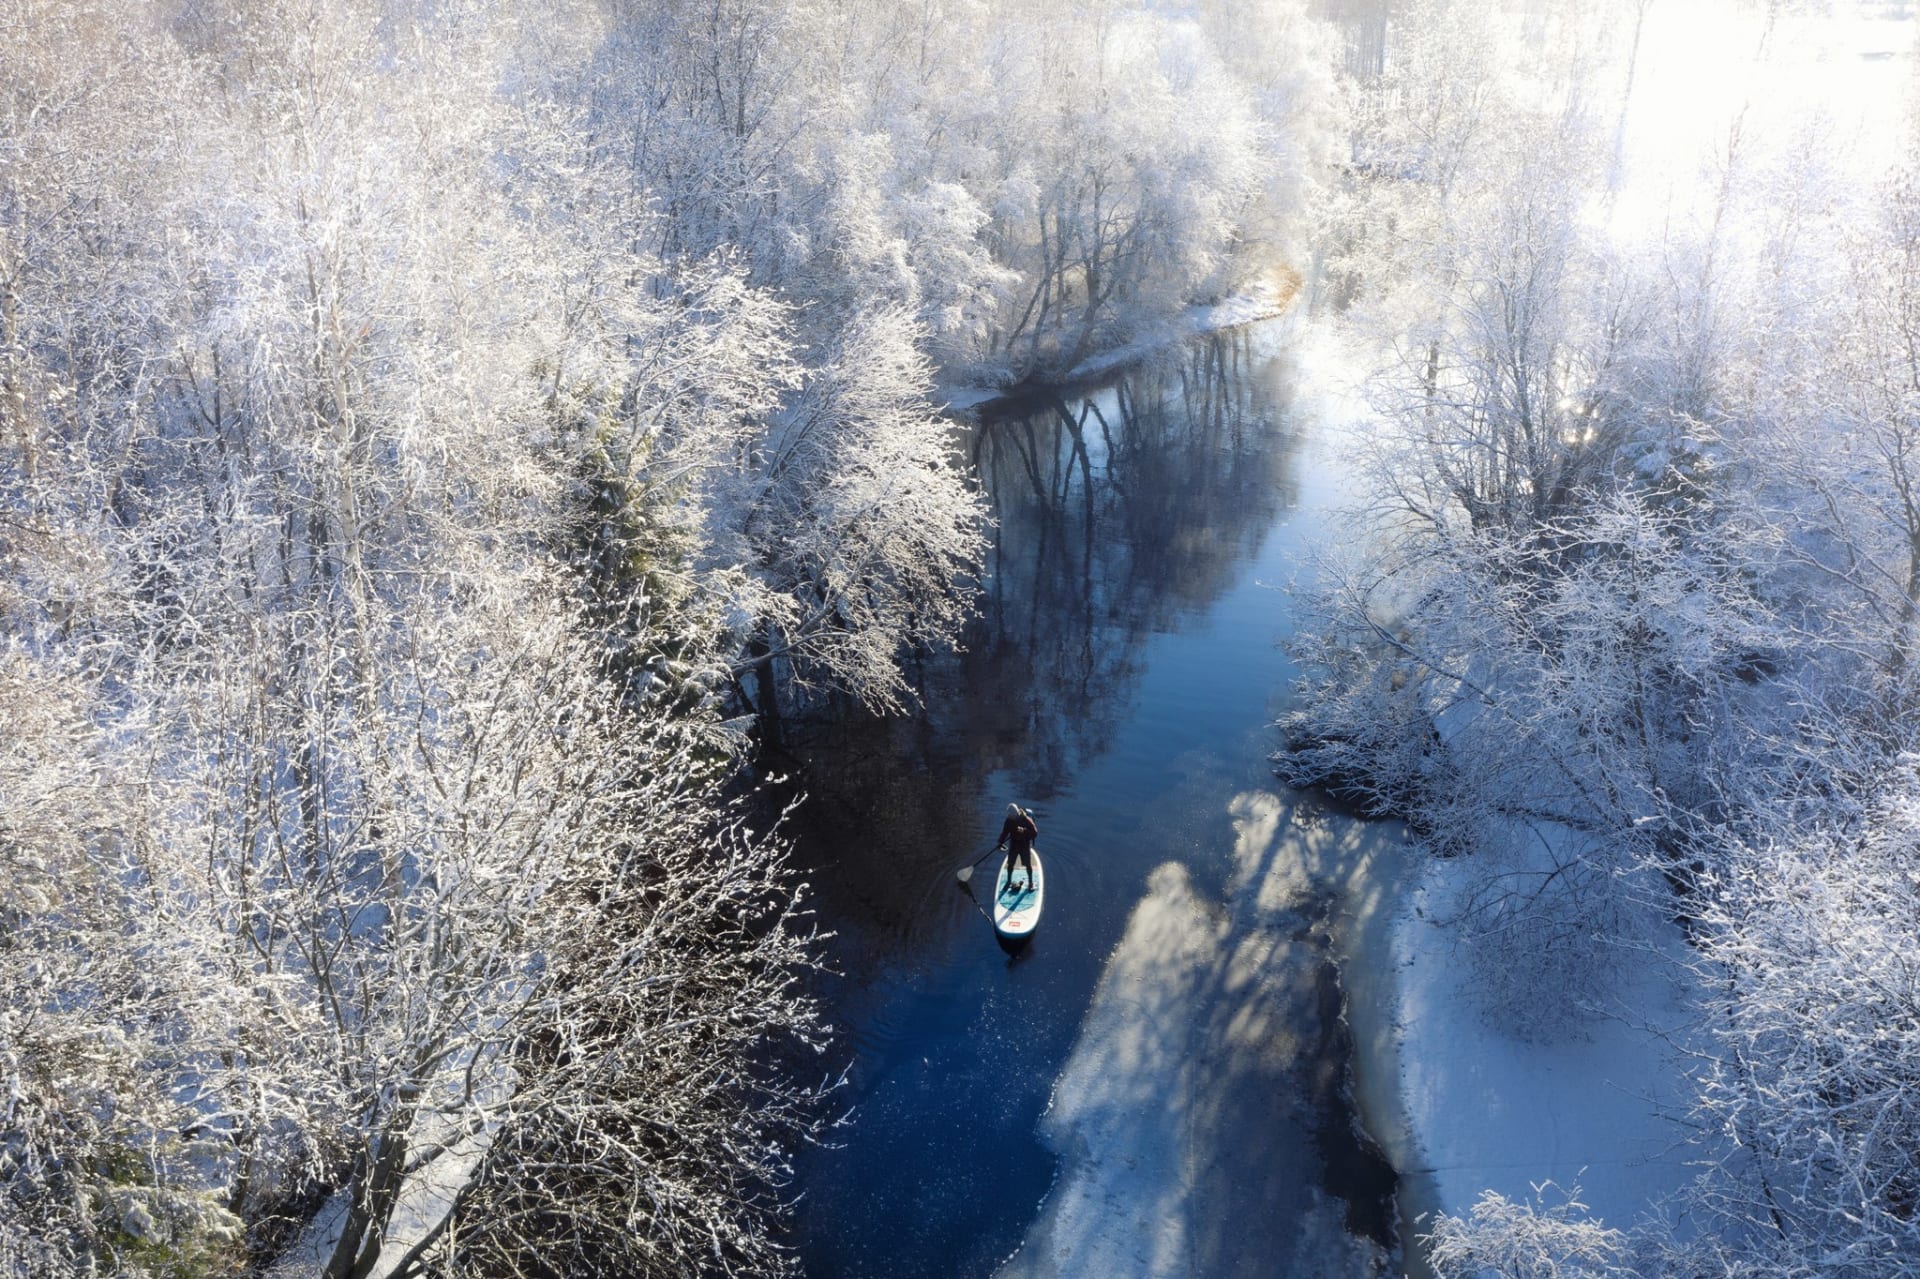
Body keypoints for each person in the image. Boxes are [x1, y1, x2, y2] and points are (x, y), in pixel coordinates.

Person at [995, 803, 1038, 891]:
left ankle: (1030, 883)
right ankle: (1008, 881)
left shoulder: (1026, 819)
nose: (1012, 817)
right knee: (1010, 864)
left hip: (1024, 844)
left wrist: (1024, 831)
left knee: (1028, 864)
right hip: (1014, 844)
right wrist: (1000, 842)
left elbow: (1034, 832)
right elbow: (1005, 832)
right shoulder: (1009, 820)